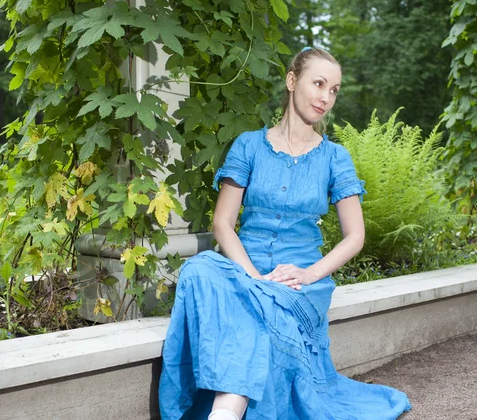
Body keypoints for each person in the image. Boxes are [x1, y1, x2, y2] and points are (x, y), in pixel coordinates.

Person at [159, 47, 412, 420]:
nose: (326, 97)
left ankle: (225, 412)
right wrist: (255, 277)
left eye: (335, 90)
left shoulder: (334, 157)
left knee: (264, 312)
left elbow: (354, 236)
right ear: (292, 81)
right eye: (319, 84)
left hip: (300, 280)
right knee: (199, 270)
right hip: (247, 270)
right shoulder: (248, 145)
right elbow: (223, 224)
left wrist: (310, 274)